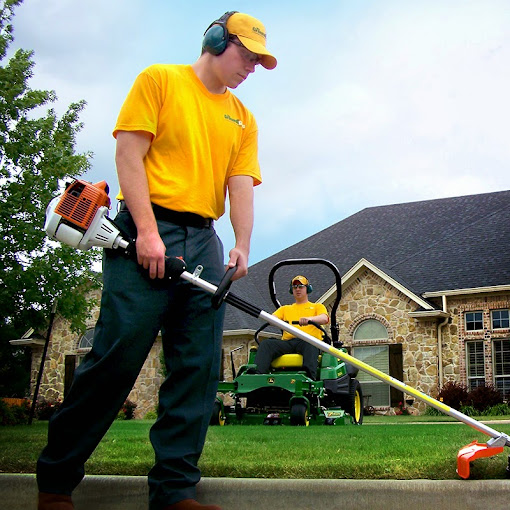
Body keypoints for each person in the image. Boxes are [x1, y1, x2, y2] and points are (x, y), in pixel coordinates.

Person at [36, 11, 277, 510]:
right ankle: (55, 483)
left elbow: (239, 186)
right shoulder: (160, 80)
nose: (251, 67)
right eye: (246, 55)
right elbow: (129, 155)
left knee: (198, 365)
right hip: (145, 226)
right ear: (216, 40)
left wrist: (242, 245)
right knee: (116, 357)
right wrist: (146, 232)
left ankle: (174, 491)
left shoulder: (242, 117)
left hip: (203, 239)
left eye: (258, 60)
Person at [253, 275, 329, 379]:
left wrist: (309, 319)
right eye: (295, 287)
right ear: (291, 290)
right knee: (267, 344)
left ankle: (309, 378)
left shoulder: (317, 307)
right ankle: (257, 376)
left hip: (309, 341)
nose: (298, 289)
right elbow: (271, 319)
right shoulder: (285, 309)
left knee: (310, 344)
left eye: (301, 286)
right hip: (288, 343)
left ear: (308, 289)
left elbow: (324, 318)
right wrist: (273, 320)